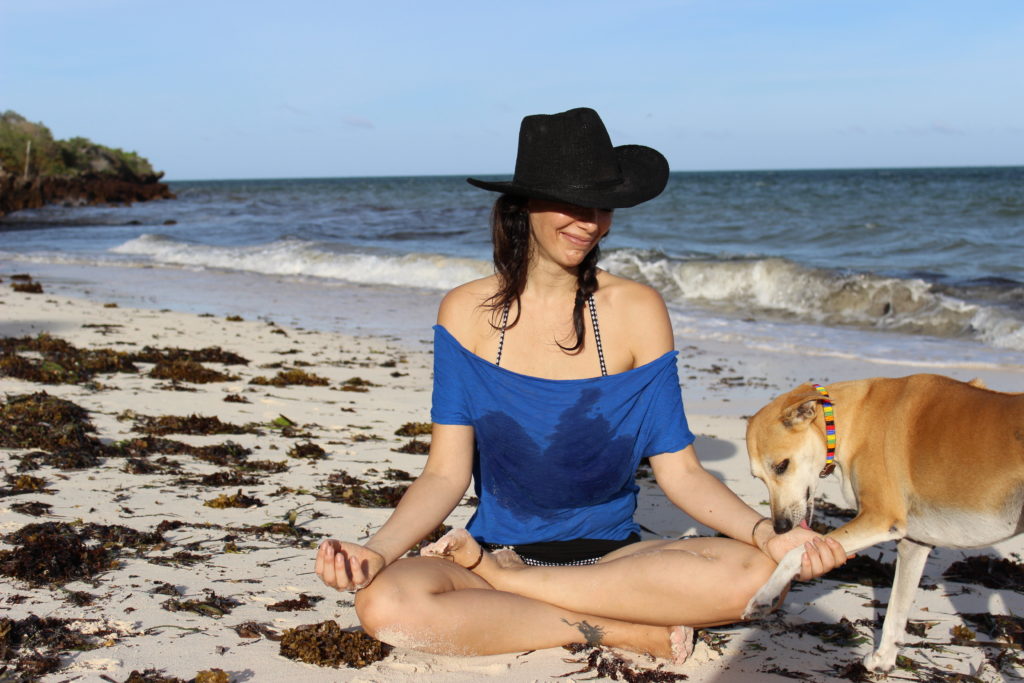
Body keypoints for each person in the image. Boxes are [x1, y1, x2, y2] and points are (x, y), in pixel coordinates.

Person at [315, 107, 847, 662]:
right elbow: (445, 473)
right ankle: (613, 629)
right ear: (524, 205)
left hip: (614, 565)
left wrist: (768, 535)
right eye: (571, 202)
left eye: (602, 205)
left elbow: (682, 473)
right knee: (385, 603)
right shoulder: (465, 313)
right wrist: (376, 552)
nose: (589, 221)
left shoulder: (637, 310)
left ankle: (520, 592)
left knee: (759, 577)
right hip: (500, 548)